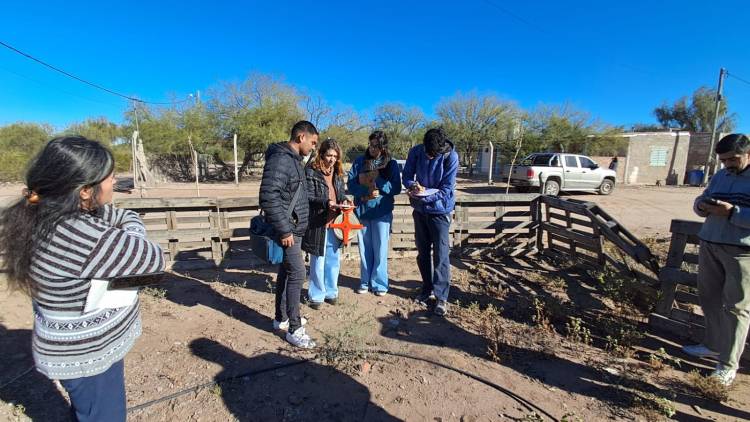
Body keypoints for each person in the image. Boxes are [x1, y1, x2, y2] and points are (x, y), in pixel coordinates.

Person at [0, 136, 165, 422]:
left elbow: (105, 214)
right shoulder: (85, 236)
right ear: (86, 191)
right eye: (110, 178)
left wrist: (107, 213)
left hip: (68, 346)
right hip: (87, 355)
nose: (115, 183)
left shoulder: (41, 212)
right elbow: (152, 259)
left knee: (87, 410)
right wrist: (132, 225)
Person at [683, 133, 750, 386]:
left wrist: (733, 212)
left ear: (748, 153)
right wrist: (702, 205)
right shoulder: (721, 175)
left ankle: (727, 364)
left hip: (741, 251)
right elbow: (702, 198)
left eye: (733, 159)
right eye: (723, 160)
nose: (728, 164)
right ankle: (711, 344)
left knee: (736, 308)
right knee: (708, 298)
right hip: (710, 242)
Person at [260, 120, 318, 348]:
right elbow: (268, 196)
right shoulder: (281, 159)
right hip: (288, 231)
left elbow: (293, 193)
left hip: (294, 229)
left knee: (286, 272)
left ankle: (281, 318)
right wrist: (284, 228)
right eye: (313, 142)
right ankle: (295, 329)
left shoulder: (293, 160)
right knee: (297, 274)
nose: (314, 147)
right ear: (301, 137)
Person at [402, 127, 459, 316]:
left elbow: (446, 189)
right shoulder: (416, 152)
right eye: (428, 153)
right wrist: (413, 186)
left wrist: (422, 196)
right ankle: (426, 289)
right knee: (423, 252)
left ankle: (441, 297)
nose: (430, 157)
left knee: (441, 254)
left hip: (440, 212)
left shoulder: (451, 157)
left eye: (434, 155)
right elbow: (407, 175)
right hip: (420, 211)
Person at [348, 130, 402, 296]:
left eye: (376, 145)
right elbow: (351, 184)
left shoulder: (391, 164)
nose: (372, 148)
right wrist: (365, 193)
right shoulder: (359, 162)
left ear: (383, 147)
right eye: (370, 144)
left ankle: (379, 284)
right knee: (364, 249)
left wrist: (378, 180)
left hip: (382, 212)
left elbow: (396, 188)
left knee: (380, 249)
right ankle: (365, 282)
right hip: (363, 211)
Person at [303, 138, 348, 309]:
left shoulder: (337, 173)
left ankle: (331, 292)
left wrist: (345, 201)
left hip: (335, 221)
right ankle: (316, 295)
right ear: (321, 154)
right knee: (318, 261)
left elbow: (341, 194)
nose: (332, 159)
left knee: (334, 260)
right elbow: (307, 196)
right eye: (329, 155)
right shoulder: (311, 171)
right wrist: (325, 202)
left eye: (335, 156)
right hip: (318, 222)